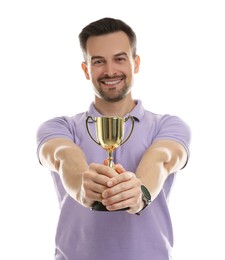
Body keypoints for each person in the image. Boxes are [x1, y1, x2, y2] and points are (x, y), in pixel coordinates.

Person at [36, 17, 191, 260]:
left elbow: (163, 159)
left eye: (119, 59)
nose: (110, 71)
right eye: (98, 62)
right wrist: (82, 187)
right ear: (86, 69)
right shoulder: (59, 127)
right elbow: (62, 158)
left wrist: (140, 193)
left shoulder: (168, 125)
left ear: (135, 63)